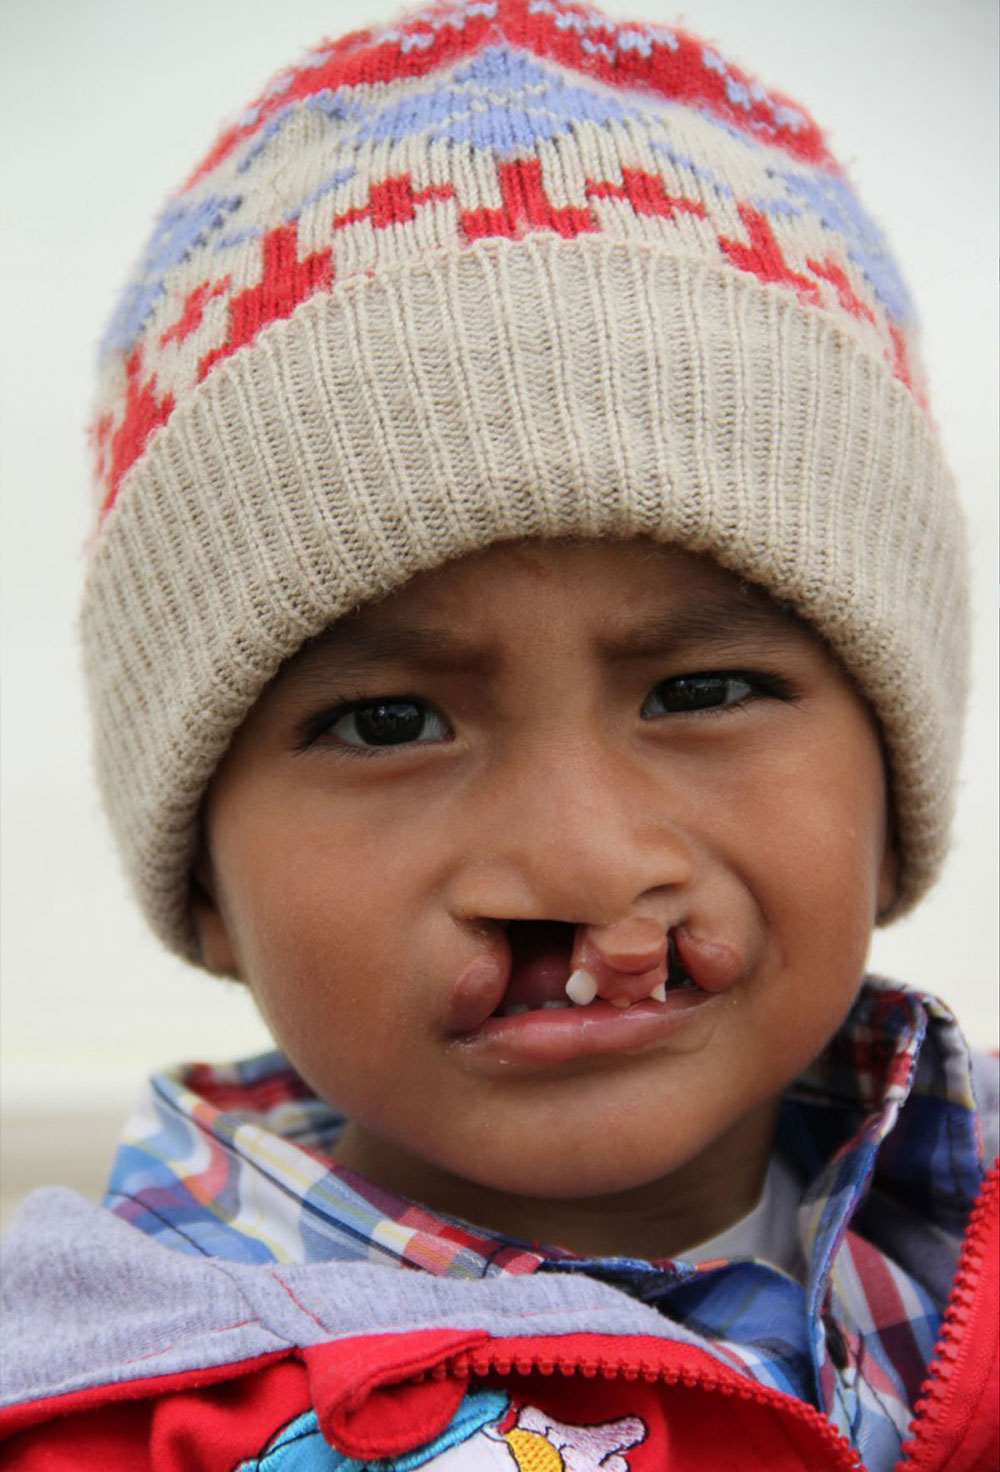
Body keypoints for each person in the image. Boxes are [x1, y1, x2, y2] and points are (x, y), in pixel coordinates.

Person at [1, 2, 996, 1467]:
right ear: (204, 884)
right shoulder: (111, 1424)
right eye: (387, 721)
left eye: (702, 692)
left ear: (895, 790)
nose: (579, 858)